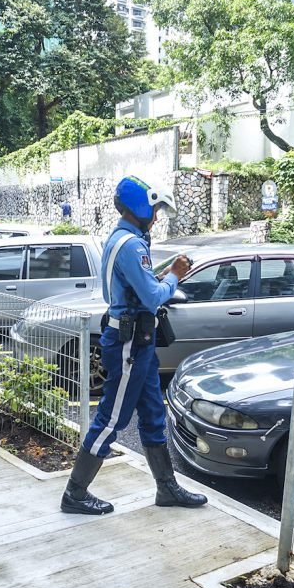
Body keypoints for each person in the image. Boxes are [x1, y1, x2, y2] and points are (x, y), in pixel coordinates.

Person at [60, 175, 207, 515]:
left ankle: (167, 488)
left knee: (154, 415)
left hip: (137, 343)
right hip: (128, 344)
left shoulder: (125, 239)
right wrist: (174, 275)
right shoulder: (131, 245)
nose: (156, 217)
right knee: (112, 419)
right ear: (140, 207)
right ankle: (75, 493)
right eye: (154, 210)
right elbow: (153, 296)